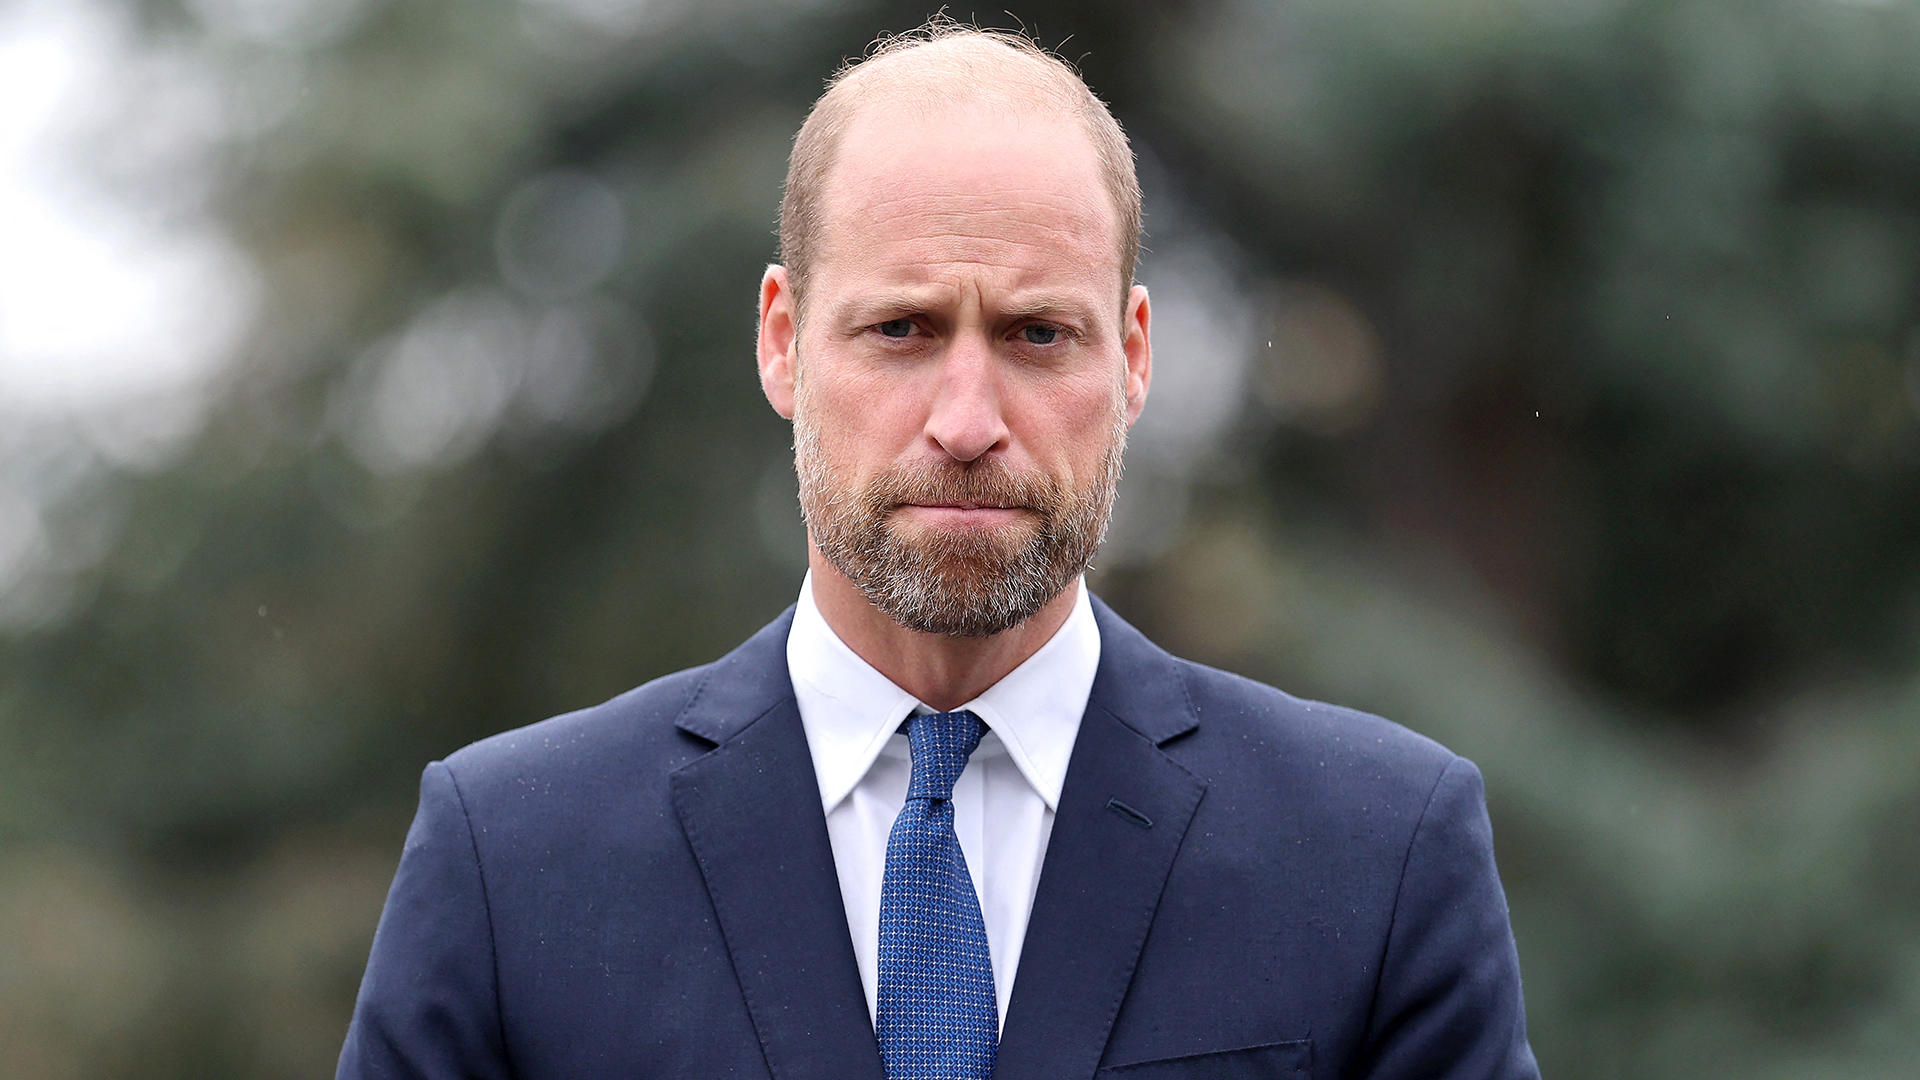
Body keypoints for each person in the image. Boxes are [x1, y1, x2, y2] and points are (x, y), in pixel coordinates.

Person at [338, 20, 1540, 1080]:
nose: (967, 422)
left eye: (1037, 334)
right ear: (782, 341)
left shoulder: (1375, 855)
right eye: (902, 329)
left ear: (1132, 357)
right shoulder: (513, 864)